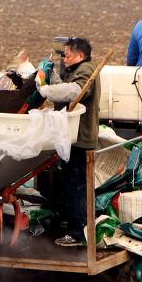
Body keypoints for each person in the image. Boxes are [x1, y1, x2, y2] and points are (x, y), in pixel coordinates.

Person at [37, 37, 100, 246]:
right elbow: (66, 88)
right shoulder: (77, 70)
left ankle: (78, 233)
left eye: (68, 55)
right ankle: (67, 225)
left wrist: (45, 91)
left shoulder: (86, 70)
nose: (64, 58)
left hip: (80, 139)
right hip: (72, 138)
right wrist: (53, 77)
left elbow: (75, 91)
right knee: (67, 185)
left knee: (77, 187)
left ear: (80, 56)